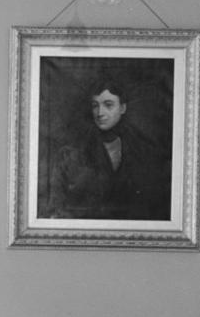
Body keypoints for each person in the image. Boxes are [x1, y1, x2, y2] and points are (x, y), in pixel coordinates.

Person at [47, 81, 171, 221]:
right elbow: (57, 209)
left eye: (108, 105)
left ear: (122, 108)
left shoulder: (144, 151)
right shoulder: (70, 154)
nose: (100, 113)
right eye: (95, 106)